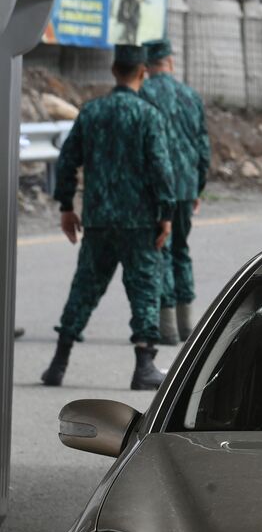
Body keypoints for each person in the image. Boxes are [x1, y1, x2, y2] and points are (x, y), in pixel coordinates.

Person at [40, 44, 174, 391]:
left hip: (98, 220)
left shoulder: (91, 112)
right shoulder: (149, 115)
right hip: (139, 222)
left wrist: (67, 206)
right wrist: (166, 213)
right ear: (142, 72)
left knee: (84, 288)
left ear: (114, 71)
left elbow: (67, 160)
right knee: (144, 289)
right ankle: (144, 367)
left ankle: (58, 363)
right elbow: (161, 168)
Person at [142, 37, 210, 346]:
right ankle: (187, 324)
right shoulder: (190, 96)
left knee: (161, 252)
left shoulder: (143, 93)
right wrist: (198, 186)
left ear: (146, 66)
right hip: (185, 187)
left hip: (157, 188)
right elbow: (203, 146)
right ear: (169, 62)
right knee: (181, 249)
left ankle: (166, 325)